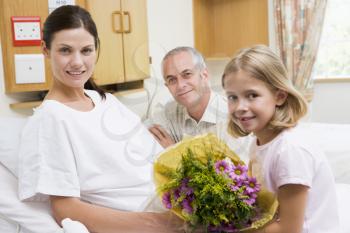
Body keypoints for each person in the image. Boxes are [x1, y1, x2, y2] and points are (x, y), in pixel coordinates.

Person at [17, 5, 183, 233]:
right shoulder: (51, 119)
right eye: (65, 50)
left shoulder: (106, 101)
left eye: (86, 50)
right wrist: (158, 224)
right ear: (45, 50)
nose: (77, 62)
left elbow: (151, 159)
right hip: (149, 223)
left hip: (178, 209)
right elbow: (65, 208)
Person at [222, 45, 339, 233]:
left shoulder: (290, 150)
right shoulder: (259, 142)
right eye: (232, 97)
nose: (239, 107)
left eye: (252, 95)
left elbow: (288, 229)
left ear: (279, 96)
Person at [148, 46, 249, 158]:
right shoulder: (167, 113)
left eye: (187, 74)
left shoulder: (232, 118)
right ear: (167, 86)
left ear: (204, 75)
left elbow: (236, 173)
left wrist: (174, 154)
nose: (180, 85)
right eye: (172, 80)